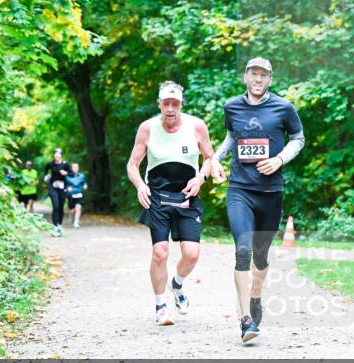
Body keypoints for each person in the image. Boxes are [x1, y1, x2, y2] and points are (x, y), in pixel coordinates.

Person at [211, 57, 305, 344]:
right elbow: (232, 137)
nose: (258, 79)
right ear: (246, 77)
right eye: (254, 74)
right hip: (239, 189)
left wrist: (279, 159)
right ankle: (245, 319)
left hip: (270, 192)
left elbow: (298, 139)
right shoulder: (232, 106)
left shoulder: (284, 108)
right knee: (242, 251)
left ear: (270, 79)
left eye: (264, 75)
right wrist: (216, 158)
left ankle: (255, 295)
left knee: (261, 256)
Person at [126, 81, 215, 326]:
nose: (170, 109)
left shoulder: (197, 126)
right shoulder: (147, 128)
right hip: (157, 197)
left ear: (181, 104)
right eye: (166, 103)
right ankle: (160, 307)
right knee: (159, 252)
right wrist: (140, 185)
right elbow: (133, 164)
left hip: (187, 198)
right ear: (159, 104)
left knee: (191, 254)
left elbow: (209, 157)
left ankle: (176, 284)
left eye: (175, 104)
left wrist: (200, 178)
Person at [43, 148, 71, 236]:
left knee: (61, 207)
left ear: (61, 155)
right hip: (53, 187)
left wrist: (65, 173)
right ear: (54, 155)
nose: (57, 156)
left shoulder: (65, 164)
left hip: (62, 188)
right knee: (56, 206)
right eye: (55, 154)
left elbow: (71, 173)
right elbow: (45, 171)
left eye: (59, 154)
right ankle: (54, 227)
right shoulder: (50, 164)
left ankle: (60, 225)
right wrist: (46, 176)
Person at [65, 162, 88, 228]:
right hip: (71, 195)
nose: (75, 168)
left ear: (78, 168)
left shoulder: (81, 176)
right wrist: (67, 188)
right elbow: (64, 185)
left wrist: (85, 185)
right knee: (72, 210)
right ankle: (71, 215)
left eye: (77, 167)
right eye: (74, 167)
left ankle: (76, 222)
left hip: (79, 194)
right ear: (71, 168)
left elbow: (84, 183)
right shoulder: (67, 176)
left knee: (78, 208)